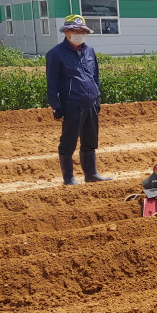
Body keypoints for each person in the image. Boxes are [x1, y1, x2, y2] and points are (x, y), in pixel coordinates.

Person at [46, 15, 112, 185]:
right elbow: (52, 83)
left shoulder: (89, 50)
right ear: (66, 32)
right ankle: (68, 178)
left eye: (82, 31)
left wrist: (97, 98)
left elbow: (95, 76)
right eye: (74, 31)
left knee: (90, 140)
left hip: (90, 102)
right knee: (68, 141)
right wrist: (56, 106)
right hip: (71, 104)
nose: (78, 34)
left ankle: (91, 174)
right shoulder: (55, 53)